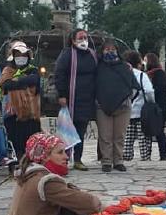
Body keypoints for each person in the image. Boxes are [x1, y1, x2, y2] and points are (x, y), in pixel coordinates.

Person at [5, 133, 104, 215]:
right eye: (60, 152)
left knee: (66, 201)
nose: (66, 157)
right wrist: (97, 202)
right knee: (75, 207)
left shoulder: (28, 173)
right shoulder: (45, 181)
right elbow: (88, 204)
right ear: (44, 156)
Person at [55, 29, 98, 171]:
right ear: (73, 40)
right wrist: (61, 94)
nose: (83, 40)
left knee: (80, 131)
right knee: (67, 131)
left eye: (85, 37)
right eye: (80, 38)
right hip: (70, 99)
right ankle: (64, 159)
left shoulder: (92, 54)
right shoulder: (67, 54)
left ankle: (78, 159)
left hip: (87, 99)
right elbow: (59, 74)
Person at [95, 40, 138, 172]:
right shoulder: (97, 67)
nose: (110, 51)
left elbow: (134, 85)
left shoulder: (125, 67)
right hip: (103, 106)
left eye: (112, 49)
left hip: (123, 107)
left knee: (119, 136)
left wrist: (128, 98)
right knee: (105, 135)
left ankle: (118, 160)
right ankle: (106, 161)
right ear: (102, 51)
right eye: (107, 49)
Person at [0, 41, 42, 159]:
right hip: (13, 114)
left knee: (33, 142)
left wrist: (17, 81)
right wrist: (23, 81)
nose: (21, 58)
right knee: (16, 143)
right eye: (18, 56)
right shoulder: (7, 70)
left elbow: (34, 80)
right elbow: (5, 85)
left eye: (23, 56)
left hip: (31, 114)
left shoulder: (33, 70)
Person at [122, 51, 155, 162]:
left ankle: (126, 157)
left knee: (127, 139)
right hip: (141, 112)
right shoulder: (142, 75)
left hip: (126, 112)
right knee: (144, 138)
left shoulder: (122, 74)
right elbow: (149, 91)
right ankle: (145, 158)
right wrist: (151, 102)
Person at [145, 53, 166, 160]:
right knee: (148, 130)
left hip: (159, 107)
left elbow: (160, 89)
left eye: (145, 60)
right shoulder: (147, 74)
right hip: (151, 106)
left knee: (159, 131)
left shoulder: (159, 73)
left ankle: (163, 155)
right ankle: (147, 154)